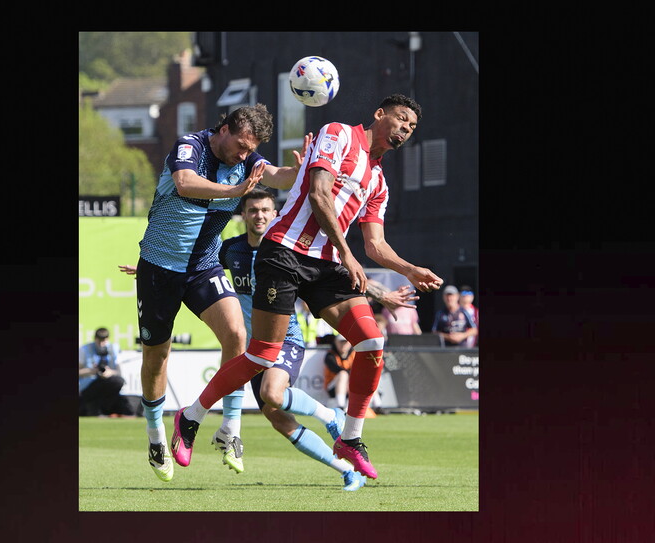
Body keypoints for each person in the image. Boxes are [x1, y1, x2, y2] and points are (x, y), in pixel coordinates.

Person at [170, 94, 444, 481]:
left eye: (412, 126)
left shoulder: (379, 181)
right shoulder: (339, 134)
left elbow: (375, 245)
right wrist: (346, 254)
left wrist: (409, 269)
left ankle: (351, 438)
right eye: (401, 119)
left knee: (372, 341)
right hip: (284, 252)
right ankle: (191, 416)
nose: (405, 128)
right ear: (379, 114)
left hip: (327, 265)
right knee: (262, 355)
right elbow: (318, 194)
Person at [127, 104, 310, 482]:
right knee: (157, 356)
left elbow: (276, 176)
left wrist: (302, 171)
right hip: (160, 267)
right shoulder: (189, 146)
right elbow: (184, 183)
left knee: (238, 334)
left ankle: (230, 428)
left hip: (202, 267)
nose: (245, 156)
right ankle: (155, 435)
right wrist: (235, 190)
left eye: (251, 150)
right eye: (241, 146)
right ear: (224, 129)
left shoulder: (247, 161)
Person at [220, 188, 365, 490]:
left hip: (286, 339)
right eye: (253, 210)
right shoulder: (231, 250)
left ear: (275, 214)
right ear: (243, 215)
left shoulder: (289, 251)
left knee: (273, 393)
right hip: (253, 349)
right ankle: (348, 471)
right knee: (279, 420)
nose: (259, 216)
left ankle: (330, 415)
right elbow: (197, 268)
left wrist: (379, 294)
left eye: (265, 210)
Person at [78, 327, 128, 417]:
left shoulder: (114, 349)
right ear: (95, 339)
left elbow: (119, 372)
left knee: (118, 381)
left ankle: (104, 409)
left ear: (108, 339)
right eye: (99, 341)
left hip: (107, 382)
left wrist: (110, 372)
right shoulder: (84, 349)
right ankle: (93, 410)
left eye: (104, 341)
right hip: (89, 385)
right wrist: (91, 371)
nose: (101, 344)